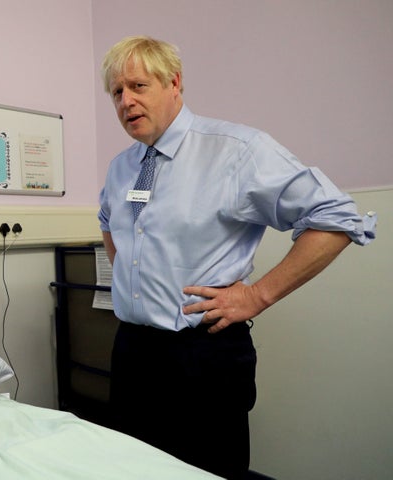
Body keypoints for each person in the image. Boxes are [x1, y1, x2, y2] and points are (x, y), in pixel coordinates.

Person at [97, 36, 376, 479]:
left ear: (174, 83)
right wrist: (132, 280)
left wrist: (257, 295)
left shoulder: (235, 150)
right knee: (135, 467)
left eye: (138, 86)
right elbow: (110, 220)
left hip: (201, 357)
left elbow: (337, 218)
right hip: (133, 350)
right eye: (116, 92)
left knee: (208, 470)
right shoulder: (122, 166)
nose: (126, 101)